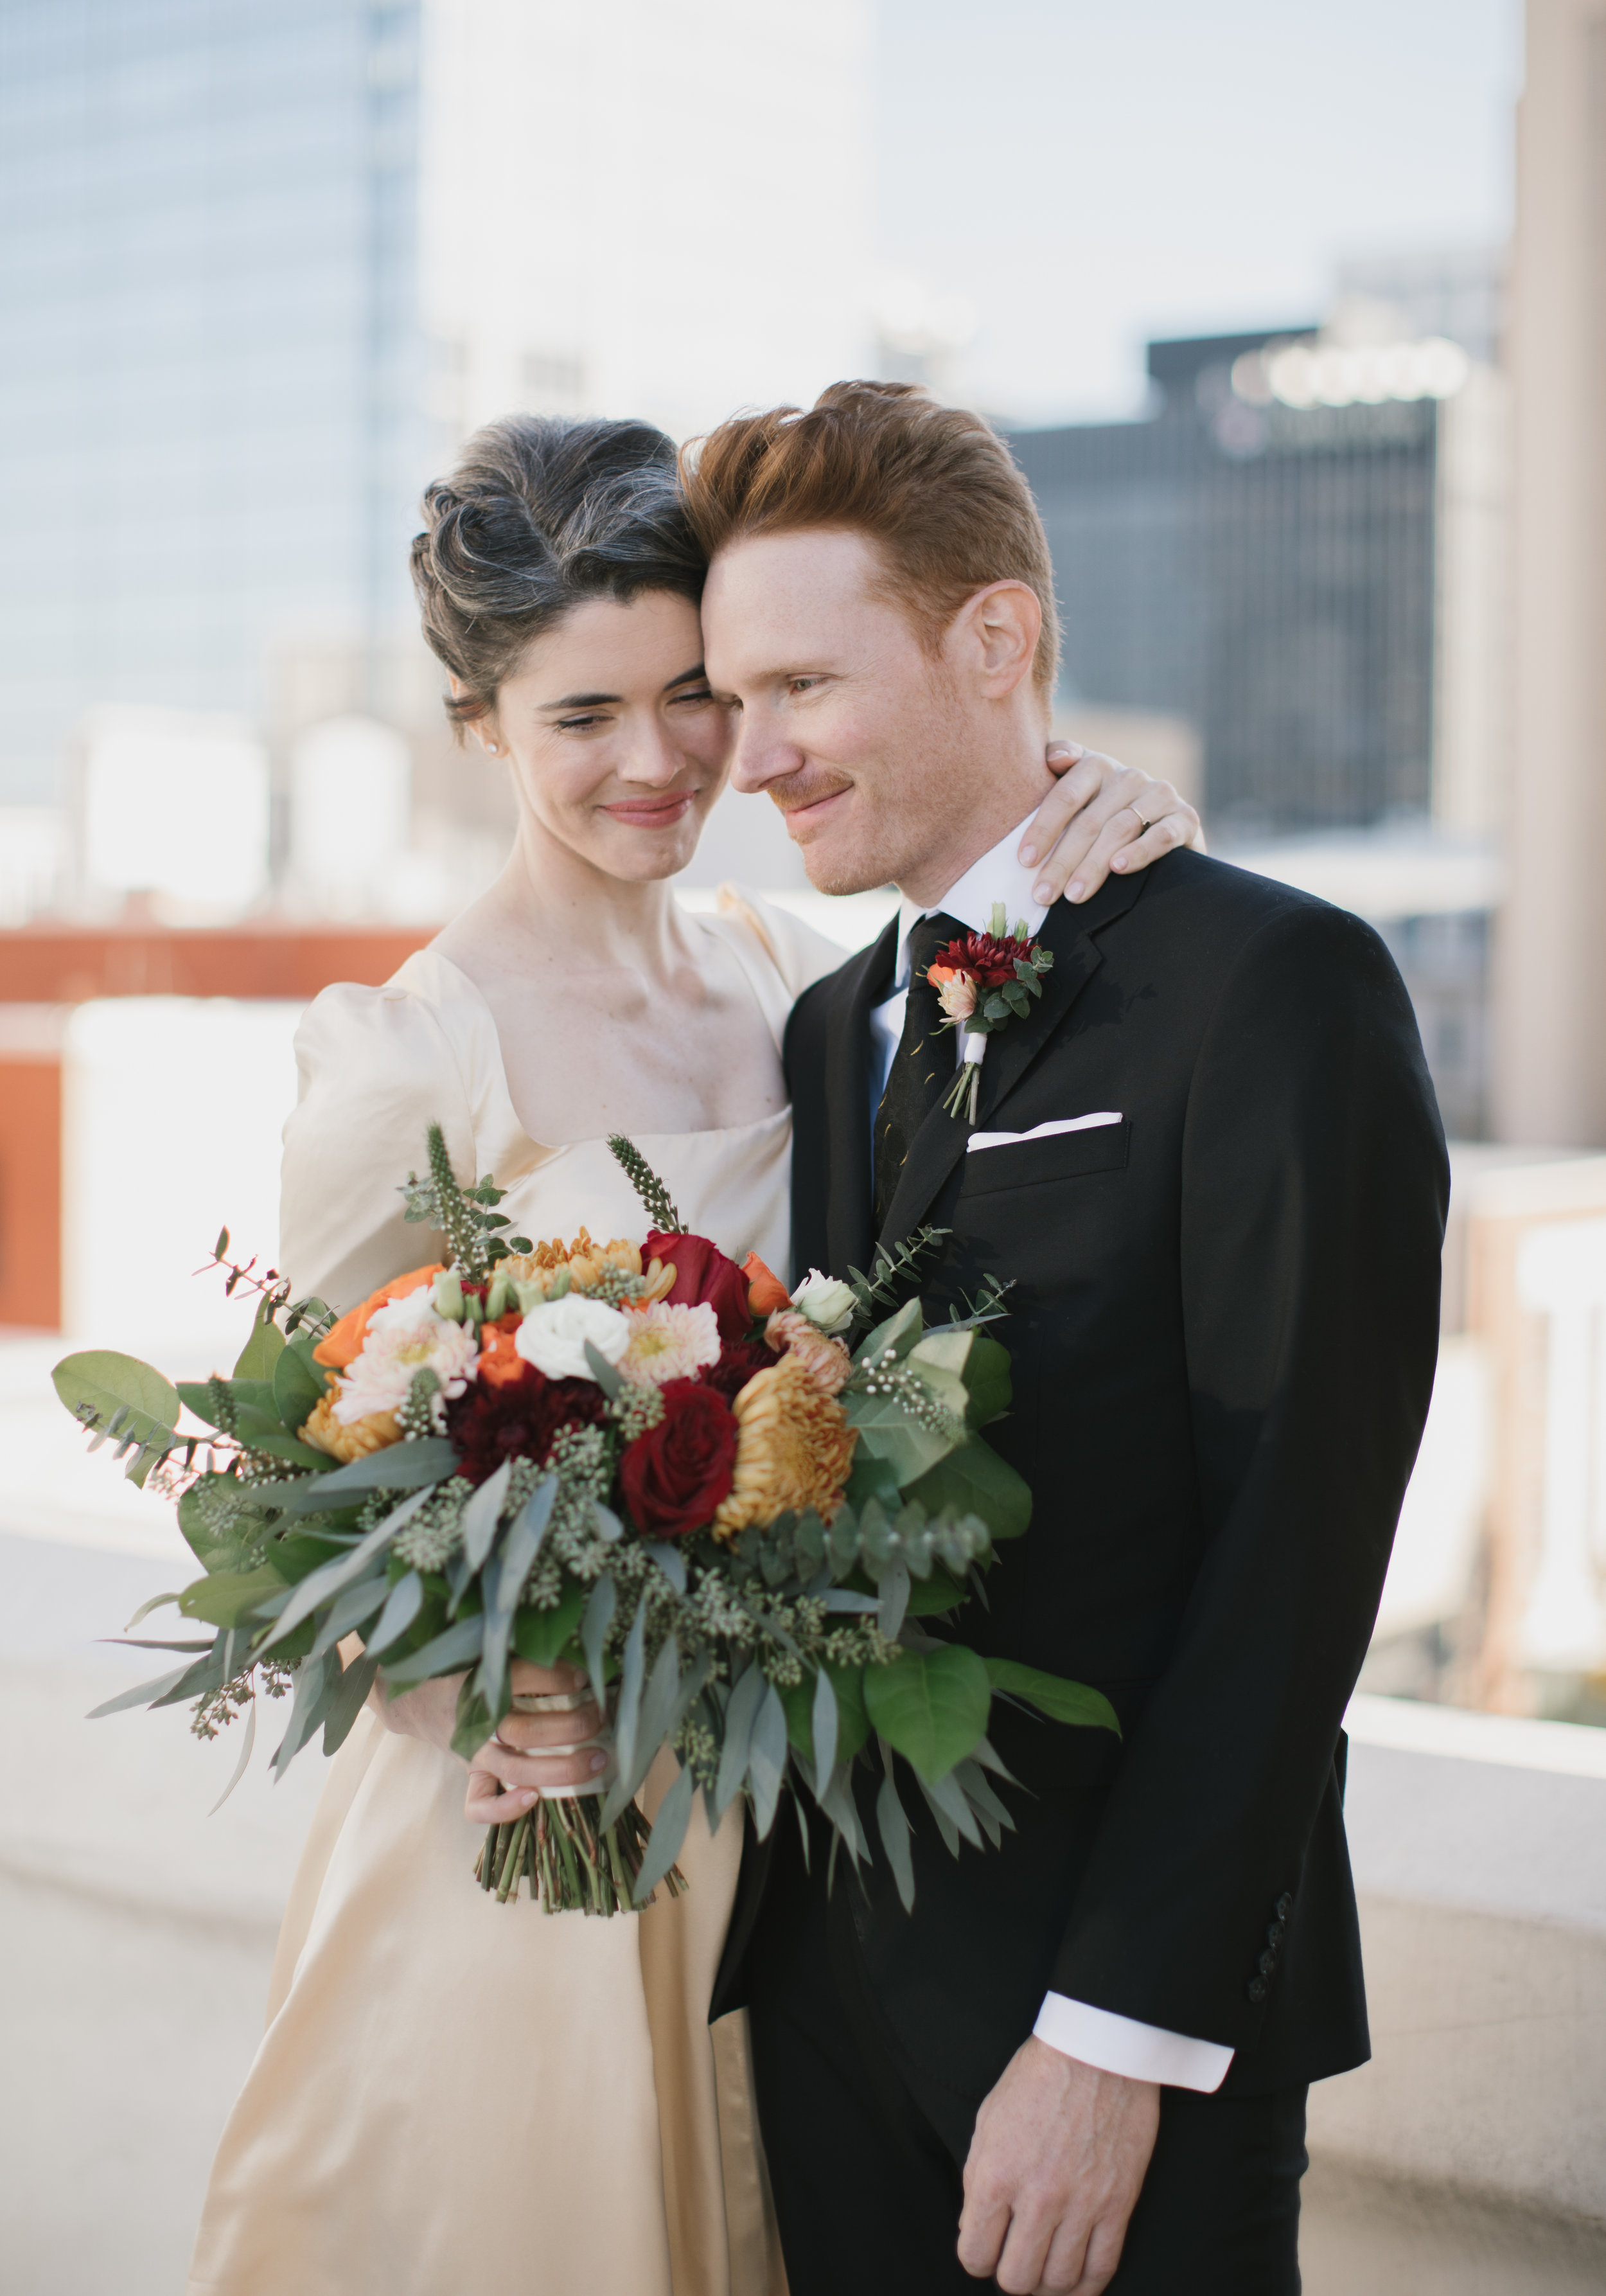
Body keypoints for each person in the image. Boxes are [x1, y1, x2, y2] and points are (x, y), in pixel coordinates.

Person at [185, 413, 1201, 2296]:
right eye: (581, 717)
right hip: (531, 1845)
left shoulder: (790, 980)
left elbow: (1016, 978)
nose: (654, 762)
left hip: (787, 1835)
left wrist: (1114, 811)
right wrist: (444, 1696)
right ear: (479, 725)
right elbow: (286, 1496)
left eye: (689, 698)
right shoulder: (406, 1055)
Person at [685, 380, 1449, 2296]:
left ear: (996, 636)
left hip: (1113, 2040)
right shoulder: (822, 1027)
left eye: (799, 687)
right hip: (819, 2002)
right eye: (729, 698)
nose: (748, 754)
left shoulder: (1272, 983)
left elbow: (1296, 1546)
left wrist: (1114, 2038)